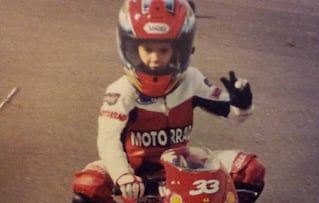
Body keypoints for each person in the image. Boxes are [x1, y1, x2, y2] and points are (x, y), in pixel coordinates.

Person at [72, 1, 265, 203]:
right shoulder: (121, 91)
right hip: (135, 174)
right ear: (131, 46)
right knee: (88, 185)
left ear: (179, 48)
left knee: (249, 169)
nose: (155, 58)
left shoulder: (191, 79)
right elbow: (108, 140)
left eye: (163, 50)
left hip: (180, 167)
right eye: (147, 49)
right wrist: (123, 175)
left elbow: (233, 114)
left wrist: (242, 105)